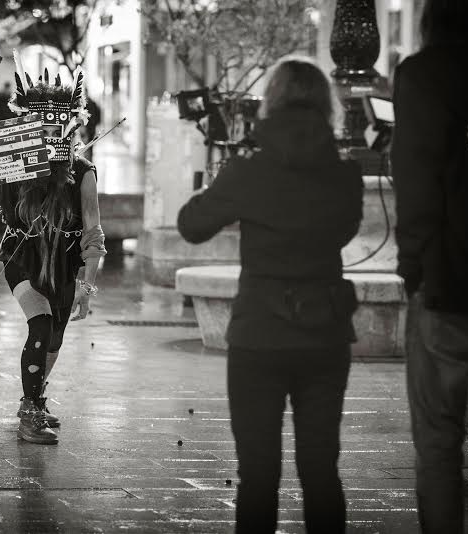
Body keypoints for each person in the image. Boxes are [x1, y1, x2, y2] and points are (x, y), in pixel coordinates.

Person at [177, 57, 364, 534]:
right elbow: (344, 230)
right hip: (325, 333)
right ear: (328, 106)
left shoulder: (247, 171)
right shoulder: (346, 175)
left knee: (258, 475)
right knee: (322, 470)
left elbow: (192, 225)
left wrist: (232, 185)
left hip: (259, 334)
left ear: (271, 103)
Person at [391, 1, 468, 532]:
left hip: (448, 284)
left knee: (439, 446)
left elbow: (417, 182)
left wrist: (411, 270)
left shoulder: (423, 74)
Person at [0, 64, 106, 445]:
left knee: (54, 339)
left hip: (65, 262)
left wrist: (87, 286)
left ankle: (35, 398)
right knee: (40, 325)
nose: (49, 133)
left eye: (57, 126)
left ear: (71, 125)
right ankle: (30, 409)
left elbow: (93, 232)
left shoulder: (82, 170)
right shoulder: (15, 160)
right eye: (41, 126)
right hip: (21, 258)